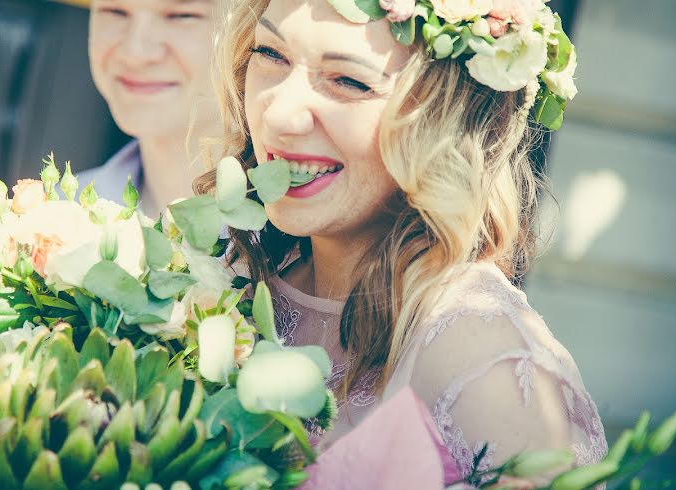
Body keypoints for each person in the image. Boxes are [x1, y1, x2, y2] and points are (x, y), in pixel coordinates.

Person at [197, 0, 607, 484]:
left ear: (448, 118)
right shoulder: (224, 278)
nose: (280, 116)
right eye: (270, 54)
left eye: (349, 81)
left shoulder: (482, 361)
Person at [80, 0, 224, 216]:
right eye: (115, 11)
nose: (135, 54)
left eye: (182, 16)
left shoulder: (288, 238)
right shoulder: (50, 217)